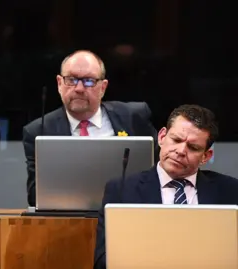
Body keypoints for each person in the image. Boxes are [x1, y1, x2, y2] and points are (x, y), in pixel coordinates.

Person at [93, 104, 238, 269]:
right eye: (176, 140)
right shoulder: (122, 189)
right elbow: (102, 261)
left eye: (193, 147)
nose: (181, 151)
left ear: (206, 156)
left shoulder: (230, 191)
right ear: (162, 136)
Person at [22, 50, 158, 206]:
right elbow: (35, 197)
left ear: (103, 87)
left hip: (126, 215)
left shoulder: (133, 117)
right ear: (59, 84)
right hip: (66, 221)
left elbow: (159, 173)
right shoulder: (39, 131)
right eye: (71, 80)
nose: (79, 88)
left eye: (88, 81)